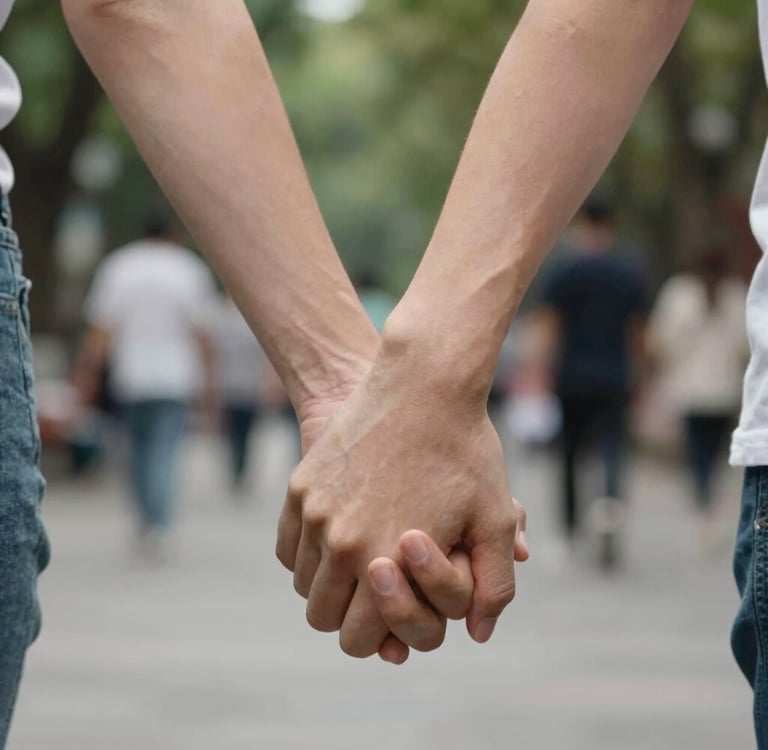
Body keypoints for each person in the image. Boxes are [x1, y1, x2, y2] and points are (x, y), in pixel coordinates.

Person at [71, 211, 218, 558]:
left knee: (135, 450)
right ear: (174, 235)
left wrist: (86, 375)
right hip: (176, 377)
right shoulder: (188, 269)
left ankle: (145, 516)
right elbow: (203, 333)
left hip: (131, 375)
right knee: (165, 450)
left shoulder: (120, 267)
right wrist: (211, 379)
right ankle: (159, 522)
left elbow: (101, 330)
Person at [536, 195, 649, 567]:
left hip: (571, 377)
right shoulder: (629, 272)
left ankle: (569, 531)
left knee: (570, 454)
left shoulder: (564, 271)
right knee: (612, 450)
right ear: (612, 224)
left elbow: (550, 328)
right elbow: (638, 333)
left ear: (580, 223)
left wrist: (540, 370)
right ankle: (609, 512)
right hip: (615, 377)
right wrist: (642, 374)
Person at [649, 249, 749, 550]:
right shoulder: (736, 295)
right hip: (724, 391)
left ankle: (703, 505)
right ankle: (709, 505)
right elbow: (748, 345)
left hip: (690, 391)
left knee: (697, 454)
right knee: (715, 452)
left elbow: (661, 340)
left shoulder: (679, 293)